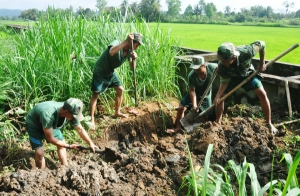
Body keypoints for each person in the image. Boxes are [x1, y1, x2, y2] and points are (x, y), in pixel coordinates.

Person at [213, 41, 278, 135]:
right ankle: (218, 123)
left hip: (248, 74)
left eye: (225, 62)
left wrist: (262, 62)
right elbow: (224, 81)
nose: (223, 64)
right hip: (232, 78)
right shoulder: (221, 66)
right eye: (221, 61)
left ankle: (269, 123)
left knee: (262, 94)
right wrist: (217, 96)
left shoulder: (247, 51)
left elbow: (262, 44)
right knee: (220, 98)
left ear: (234, 57)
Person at [90, 32, 144, 130]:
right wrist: (125, 41)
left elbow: (132, 68)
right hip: (100, 71)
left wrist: (134, 59)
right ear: (132, 42)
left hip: (110, 72)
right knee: (96, 94)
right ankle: (92, 119)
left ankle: (117, 112)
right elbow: (111, 52)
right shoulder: (117, 43)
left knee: (120, 89)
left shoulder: (129, 52)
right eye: (137, 45)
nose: (137, 47)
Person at [26, 98, 99, 169]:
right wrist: (69, 146)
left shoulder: (70, 110)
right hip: (34, 125)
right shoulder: (49, 114)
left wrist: (90, 143)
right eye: (73, 116)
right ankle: (41, 174)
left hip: (50, 125)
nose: (74, 118)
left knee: (62, 144)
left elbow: (80, 129)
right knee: (40, 153)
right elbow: (50, 138)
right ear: (66, 112)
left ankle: (65, 168)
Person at [166, 57, 218, 133]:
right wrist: (194, 105)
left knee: (205, 114)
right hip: (195, 93)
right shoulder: (192, 75)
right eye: (194, 68)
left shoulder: (211, 67)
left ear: (204, 66)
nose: (196, 71)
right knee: (181, 108)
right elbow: (192, 91)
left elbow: (220, 66)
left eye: (198, 68)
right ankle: (178, 128)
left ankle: (201, 131)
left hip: (206, 95)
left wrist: (219, 70)